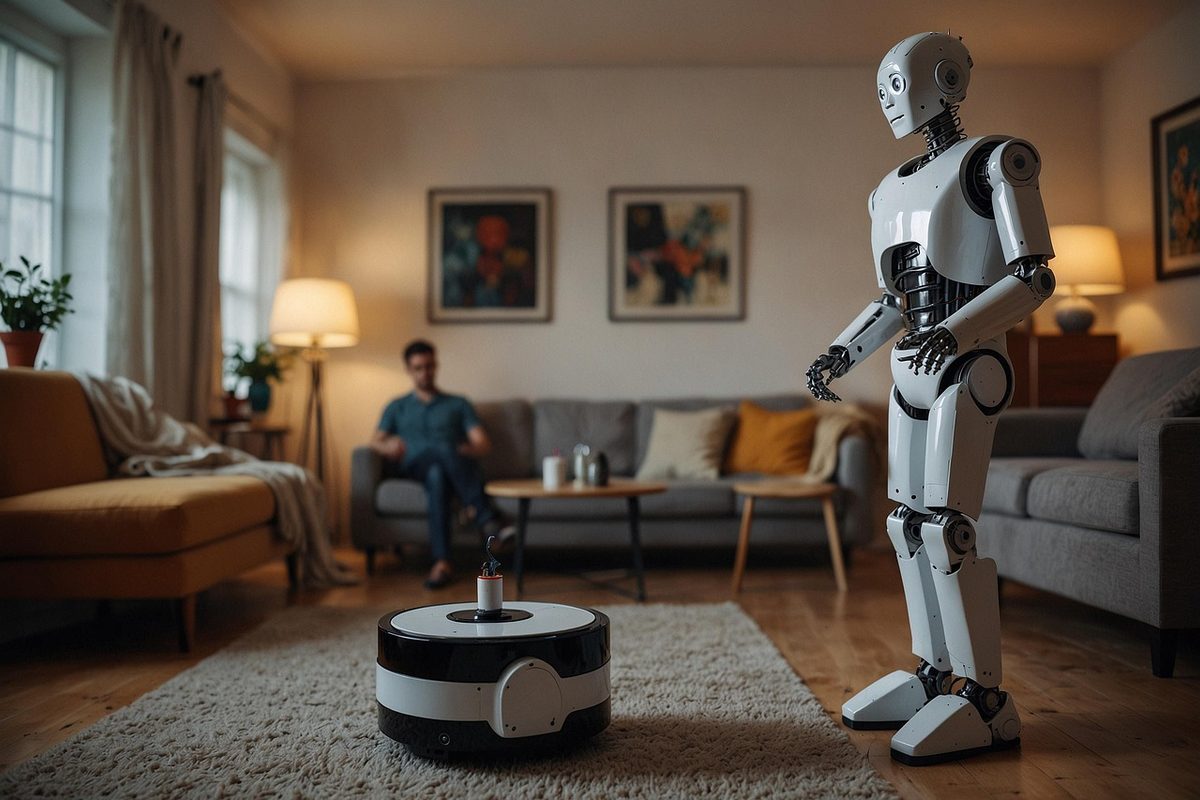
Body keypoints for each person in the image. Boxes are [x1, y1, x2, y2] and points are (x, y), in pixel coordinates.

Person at [370, 340, 512, 589]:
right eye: (419, 367)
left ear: (436, 366)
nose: (425, 372)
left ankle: (442, 563)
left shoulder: (458, 404)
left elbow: (483, 444)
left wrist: (463, 450)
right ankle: (487, 517)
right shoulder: (397, 406)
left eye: (430, 366)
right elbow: (374, 441)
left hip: (447, 469)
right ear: (408, 369)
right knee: (441, 452)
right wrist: (388, 445)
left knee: (438, 473)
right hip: (412, 466)